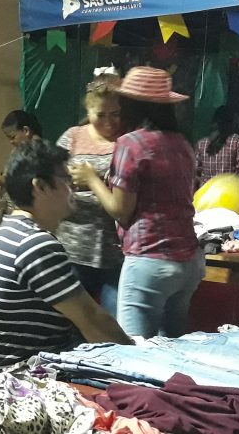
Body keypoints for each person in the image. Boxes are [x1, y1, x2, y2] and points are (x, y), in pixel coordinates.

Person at [0, 139, 132, 373]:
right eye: (66, 179)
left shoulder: (10, 230)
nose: (74, 187)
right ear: (40, 187)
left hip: (5, 370)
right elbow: (93, 322)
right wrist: (138, 358)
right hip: (22, 379)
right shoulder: (35, 245)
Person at [71, 67, 203, 338]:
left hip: (150, 260)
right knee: (173, 348)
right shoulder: (182, 143)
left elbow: (120, 210)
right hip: (189, 262)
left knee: (136, 350)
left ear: (132, 105)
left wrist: (92, 180)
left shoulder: (130, 144)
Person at [57, 74, 123, 312]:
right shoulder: (73, 137)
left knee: (116, 323)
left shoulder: (129, 141)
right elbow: (51, 177)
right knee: (72, 321)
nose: (109, 122)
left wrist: (92, 180)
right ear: (88, 110)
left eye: (115, 114)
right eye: (100, 115)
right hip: (72, 250)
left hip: (116, 254)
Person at [0, 109, 43, 188]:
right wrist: (2, 175)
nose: (11, 142)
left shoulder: (41, 153)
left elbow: (36, 184)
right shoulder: (23, 149)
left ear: (26, 131)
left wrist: (7, 182)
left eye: (13, 137)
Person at [194, 105, 239, 187]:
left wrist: (204, 183)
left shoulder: (201, 144)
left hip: (206, 193)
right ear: (232, 122)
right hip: (229, 193)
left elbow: (194, 173)